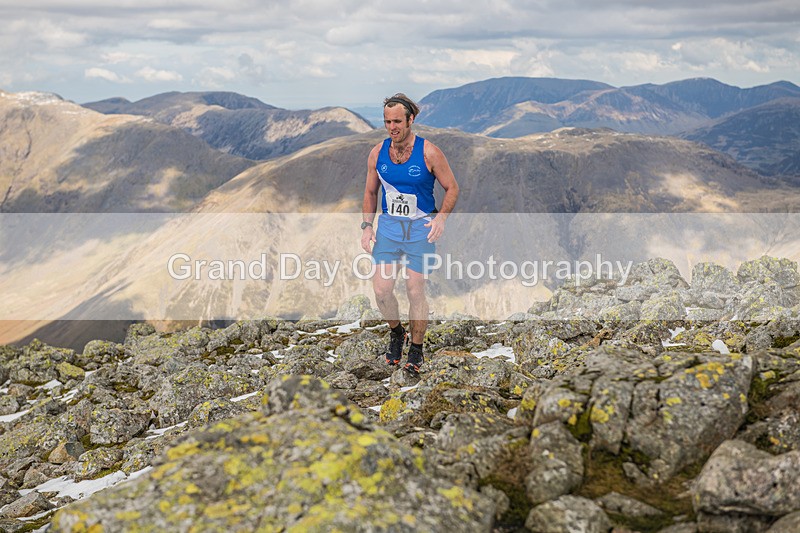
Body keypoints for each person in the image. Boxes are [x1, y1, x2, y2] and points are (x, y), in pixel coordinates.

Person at [360, 93, 459, 375]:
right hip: (389, 229)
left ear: (410, 120)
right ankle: (397, 331)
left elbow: (452, 188)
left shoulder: (429, 152)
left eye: (397, 122)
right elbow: (370, 192)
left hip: (420, 230)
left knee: (415, 290)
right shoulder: (377, 153)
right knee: (381, 291)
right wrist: (367, 226)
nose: (392, 127)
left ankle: (416, 348)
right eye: (387, 122)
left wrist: (441, 219)